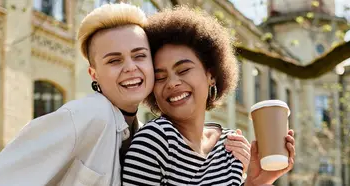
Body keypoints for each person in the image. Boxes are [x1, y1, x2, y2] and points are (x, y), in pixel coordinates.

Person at [0, 4, 154, 185]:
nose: (131, 67)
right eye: (114, 60)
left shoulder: (140, 131)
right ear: (94, 74)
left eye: (140, 56)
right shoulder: (89, 115)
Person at [121, 6, 296, 186]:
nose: (172, 83)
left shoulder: (229, 146)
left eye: (184, 70)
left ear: (211, 75)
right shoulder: (154, 141)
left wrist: (256, 181)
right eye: (160, 77)